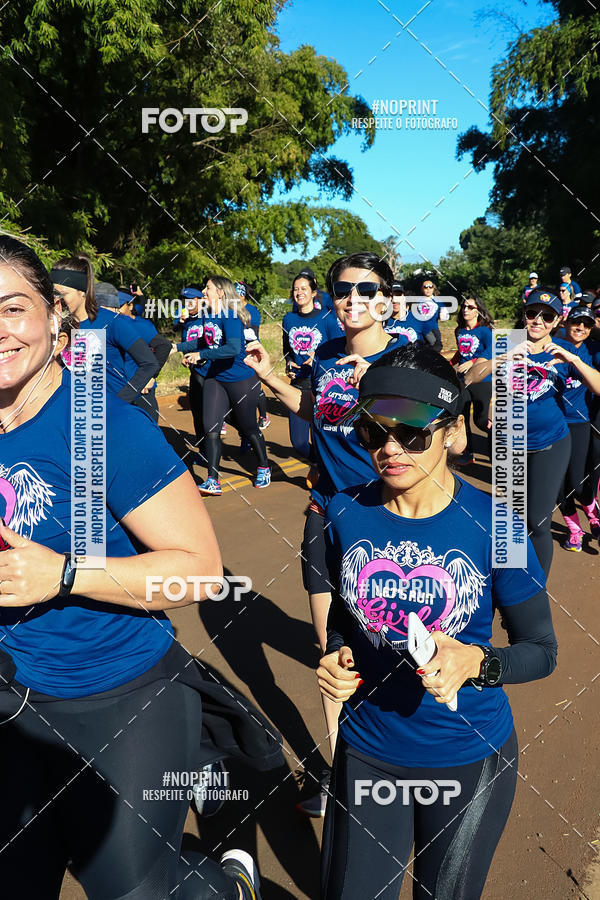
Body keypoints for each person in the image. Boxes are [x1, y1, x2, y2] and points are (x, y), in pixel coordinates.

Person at [0, 235, 265, 900]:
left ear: (55, 316)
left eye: (12, 308)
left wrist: (62, 574)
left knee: (130, 891)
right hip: (12, 700)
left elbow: (200, 574)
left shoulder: (102, 425)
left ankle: (226, 884)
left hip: (123, 695)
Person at [317, 343, 557, 900]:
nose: (391, 449)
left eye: (413, 433)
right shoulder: (344, 513)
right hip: (368, 750)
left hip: (467, 758)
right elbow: (343, 619)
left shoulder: (496, 525)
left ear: (452, 433)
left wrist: (477, 660)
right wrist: (335, 653)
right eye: (375, 433)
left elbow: (541, 649)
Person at [245, 251, 409, 816]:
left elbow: (445, 440)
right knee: (331, 650)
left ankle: (400, 761)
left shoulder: (408, 357)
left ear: (385, 297)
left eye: (366, 289)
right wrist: (269, 375)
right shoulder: (328, 354)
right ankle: (345, 780)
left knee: (390, 648)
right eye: (343, 289)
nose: (352, 299)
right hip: (326, 513)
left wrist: (380, 393)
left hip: (386, 519)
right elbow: (315, 409)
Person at [469, 288, 600, 575]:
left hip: (550, 443)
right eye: (532, 313)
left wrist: (575, 361)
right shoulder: (506, 342)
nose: (538, 320)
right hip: (508, 443)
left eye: (547, 316)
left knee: (536, 519)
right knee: (509, 520)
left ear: (556, 321)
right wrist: (504, 358)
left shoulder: (565, 350)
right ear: (525, 315)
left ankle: (534, 588)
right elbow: (471, 376)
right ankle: (509, 582)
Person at [174, 276, 270, 494]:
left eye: (207, 288)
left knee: (249, 427)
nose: (204, 291)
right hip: (215, 378)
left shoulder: (231, 315)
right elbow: (205, 340)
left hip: (240, 378)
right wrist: (178, 347)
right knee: (211, 428)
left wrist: (201, 355)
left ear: (220, 292)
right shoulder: (208, 315)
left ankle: (264, 465)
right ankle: (212, 480)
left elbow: (233, 348)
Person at [51, 258, 158, 405]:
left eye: (62, 294)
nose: (57, 301)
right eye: (54, 294)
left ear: (82, 291)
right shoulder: (58, 326)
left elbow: (149, 363)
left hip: (114, 417)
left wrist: (118, 402)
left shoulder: (111, 322)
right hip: (80, 414)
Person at [554, 305, 600, 549]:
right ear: (565, 322)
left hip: (580, 422)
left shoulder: (594, 350)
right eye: (576, 322)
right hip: (554, 423)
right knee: (559, 485)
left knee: (578, 482)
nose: (580, 327)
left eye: (587, 324)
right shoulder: (551, 346)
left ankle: (593, 513)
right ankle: (575, 531)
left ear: (592, 328)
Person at [282, 272, 339, 461]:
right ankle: (317, 465)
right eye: (296, 289)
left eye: (304, 288)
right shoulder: (288, 319)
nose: (299, 292)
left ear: (314, 292)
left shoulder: (327, 318)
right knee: (298, 442)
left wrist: (318, 354)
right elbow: (287, 350)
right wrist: (289, 363)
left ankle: (324, 475)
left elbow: (341, 348)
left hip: (322, 387)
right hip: (298, 385)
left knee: (322, 439)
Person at [450, 294, 494, 464]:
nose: (465, 310)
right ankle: (468, 452)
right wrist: (449, 362)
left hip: (482, 380)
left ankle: (497, 436)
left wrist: (473, 362)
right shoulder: (459, 331)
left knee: (481, 420)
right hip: (462, 380)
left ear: (478, 311)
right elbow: (460, 353)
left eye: (470, 307)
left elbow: (492, 351)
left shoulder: (484, 331)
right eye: (464, 306)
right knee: (461, 416)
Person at [118, 289, 171, 422]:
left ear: (130, 305)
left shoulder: (140, 325)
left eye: (119, 306)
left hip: (141, 387)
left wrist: (151, 376)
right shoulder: (110, 322)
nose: (116, 310)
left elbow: (164, 346)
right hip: (117, 387)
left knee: (150, 426)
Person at [234, 281, 271, 432]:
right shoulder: (229, 310)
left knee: (255, 386)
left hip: (251, 352)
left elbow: (253, 335)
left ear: (242, 295)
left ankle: (263, 417)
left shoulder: (252, 311)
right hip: (235, 353)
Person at [415, 277, 443, 351]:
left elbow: (443, 315)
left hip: (433, 329)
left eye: (430, 287)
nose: (428, 289)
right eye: (425, 287)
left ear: (433, 289)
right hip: (421, 330)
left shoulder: (437, 301)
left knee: (435, 348)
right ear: (422, 289)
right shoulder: (417, 301)